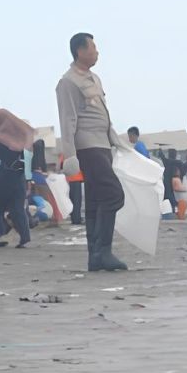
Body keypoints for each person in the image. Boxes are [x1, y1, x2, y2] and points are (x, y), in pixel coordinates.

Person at [56, 32, 130, 271]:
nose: (97, 52)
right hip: (88, 146)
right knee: (113, 194)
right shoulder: (68, 82)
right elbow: (67, 120)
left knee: (98, 200)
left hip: (103, 144)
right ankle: (104, 250)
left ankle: (95, 256)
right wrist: (70, 155)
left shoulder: (94, 79)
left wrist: (117, 141)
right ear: (80, 51)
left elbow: (103, 116)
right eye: (93, 47)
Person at [0, 109, 34, 249]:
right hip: (20, 177)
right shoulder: (22, 136)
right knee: (18, 208)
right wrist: (28, 179)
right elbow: (28, 158)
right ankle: (25, 237)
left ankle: (2, 235)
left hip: (5, 177)